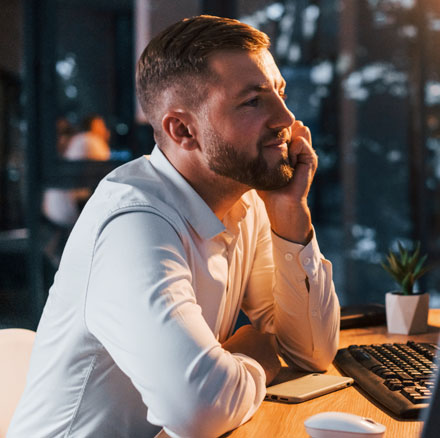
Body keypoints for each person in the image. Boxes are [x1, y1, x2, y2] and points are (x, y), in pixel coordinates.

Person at [9, 15, 340, 438]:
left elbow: (311, 351)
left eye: (279, 92)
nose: (286, 118)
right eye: (253, 101)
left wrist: (292, 216)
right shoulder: (133, 223)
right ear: (183, 130)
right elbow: (198, 411)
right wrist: (256, 358)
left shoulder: (248, 201)